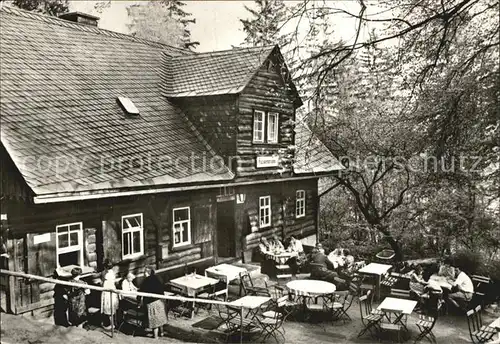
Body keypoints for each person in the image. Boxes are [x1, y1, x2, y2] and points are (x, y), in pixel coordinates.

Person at [138, 266, 167, 338]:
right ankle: (162, 333)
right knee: (160, 318)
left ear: (148, 273)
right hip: (160, 301)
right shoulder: (157, 278)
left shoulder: (146, 281)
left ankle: (155, 336)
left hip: (152, 302)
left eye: (144, 272)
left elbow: (141, 292)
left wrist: (138, 301)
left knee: (154, 320)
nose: (143, 273)